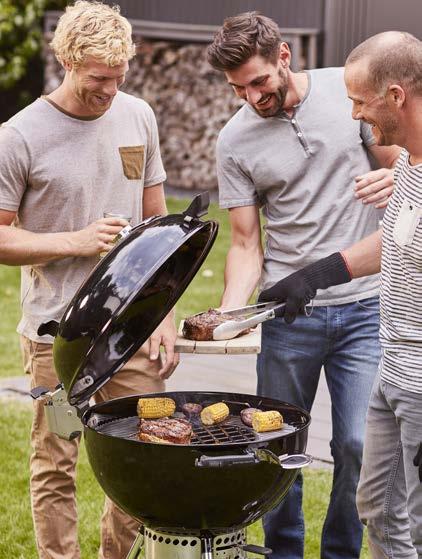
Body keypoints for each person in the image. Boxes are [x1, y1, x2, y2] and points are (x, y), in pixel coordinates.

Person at [207, 12, 400, 559]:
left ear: (284, 57)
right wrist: (229, 311)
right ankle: (283, 551)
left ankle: (342, 550)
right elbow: (246, 244)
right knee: (279, 444)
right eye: (238, 88)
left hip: (366, 307)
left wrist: (397, 171)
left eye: (259, 81)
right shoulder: (235, 140)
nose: (251, 97)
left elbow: (401, 166)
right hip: (288, 318)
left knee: (358, 445)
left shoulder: (350, 95)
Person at [0, 2, 179, 558]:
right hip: (56, 334)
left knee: (141, 455)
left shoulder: (137, 115)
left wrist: (165, 311)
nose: (110, 90)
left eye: (120, 77)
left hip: (131, 326)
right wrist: (73, 241)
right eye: (99, 78)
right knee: (57, 463)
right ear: (67, 62)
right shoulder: (19, 135)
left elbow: (160, 224)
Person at [259, 30, 422, 559]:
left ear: (395, 96)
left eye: (359, 102)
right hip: (391, 374)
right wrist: (316, 275)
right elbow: (395, 243)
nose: (353, 115)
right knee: (379, 512)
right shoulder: (408, 167)